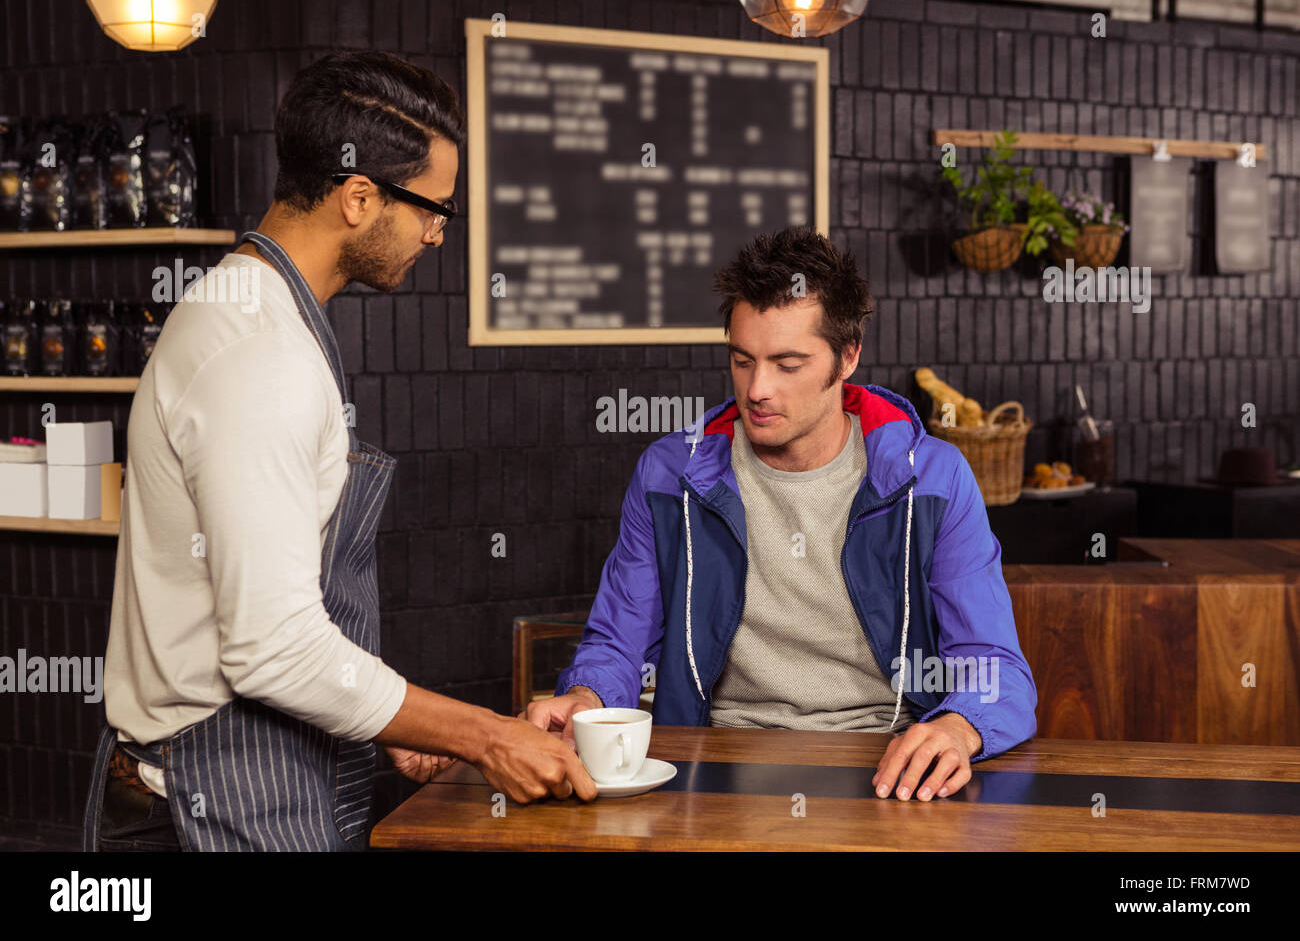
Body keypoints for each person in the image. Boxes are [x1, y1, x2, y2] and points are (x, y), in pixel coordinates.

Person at [84, 51, 595, 853]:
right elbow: (272, 646)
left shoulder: (248, 307)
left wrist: (377, 715)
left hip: (252, 764)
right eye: (434, 209)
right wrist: (486, 736)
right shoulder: (261, 356)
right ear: (359, 197)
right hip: (220, 787)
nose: (435, 233)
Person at [526, 227, 1036, 802]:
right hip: (712, 768)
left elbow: (995, 667)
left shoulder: (934, 479)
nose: (757, 389)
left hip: (887, 766)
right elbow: (618, 642)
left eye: (787, 364)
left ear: (848, 356)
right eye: (742, 361)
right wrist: (588, 697)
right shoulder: (668, 474)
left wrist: (959, 725)